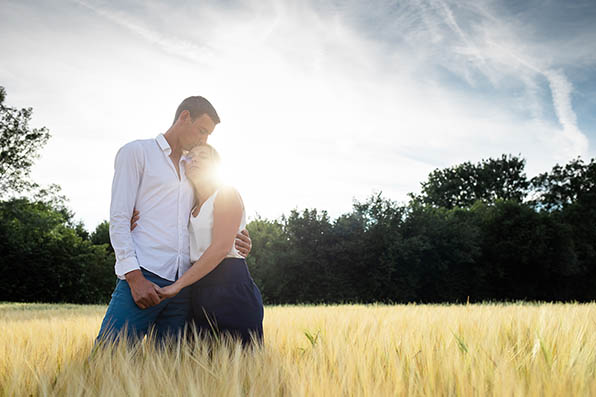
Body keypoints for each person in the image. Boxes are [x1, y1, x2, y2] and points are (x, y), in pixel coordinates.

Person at [96, 96, 252, 344]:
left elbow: (210, 216)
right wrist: (134, 278)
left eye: (208, 136)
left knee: (172, 370)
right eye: (202, 131)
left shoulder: (192, 166)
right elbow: (119, 218)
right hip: (144, 276)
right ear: (184, 117)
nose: (204, 140)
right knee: (110, 357)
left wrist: (237, 239)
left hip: (185, 287)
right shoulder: (137, 152)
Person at [156, 144, 264, 347]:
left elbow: (221, 247)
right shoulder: (187, 206)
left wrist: (177, 285)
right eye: (190, 157)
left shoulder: (226, 193)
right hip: (197, 291)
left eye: (203, 156)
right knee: (203, 365)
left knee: (240, 364)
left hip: (231, 288)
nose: (194, 159)